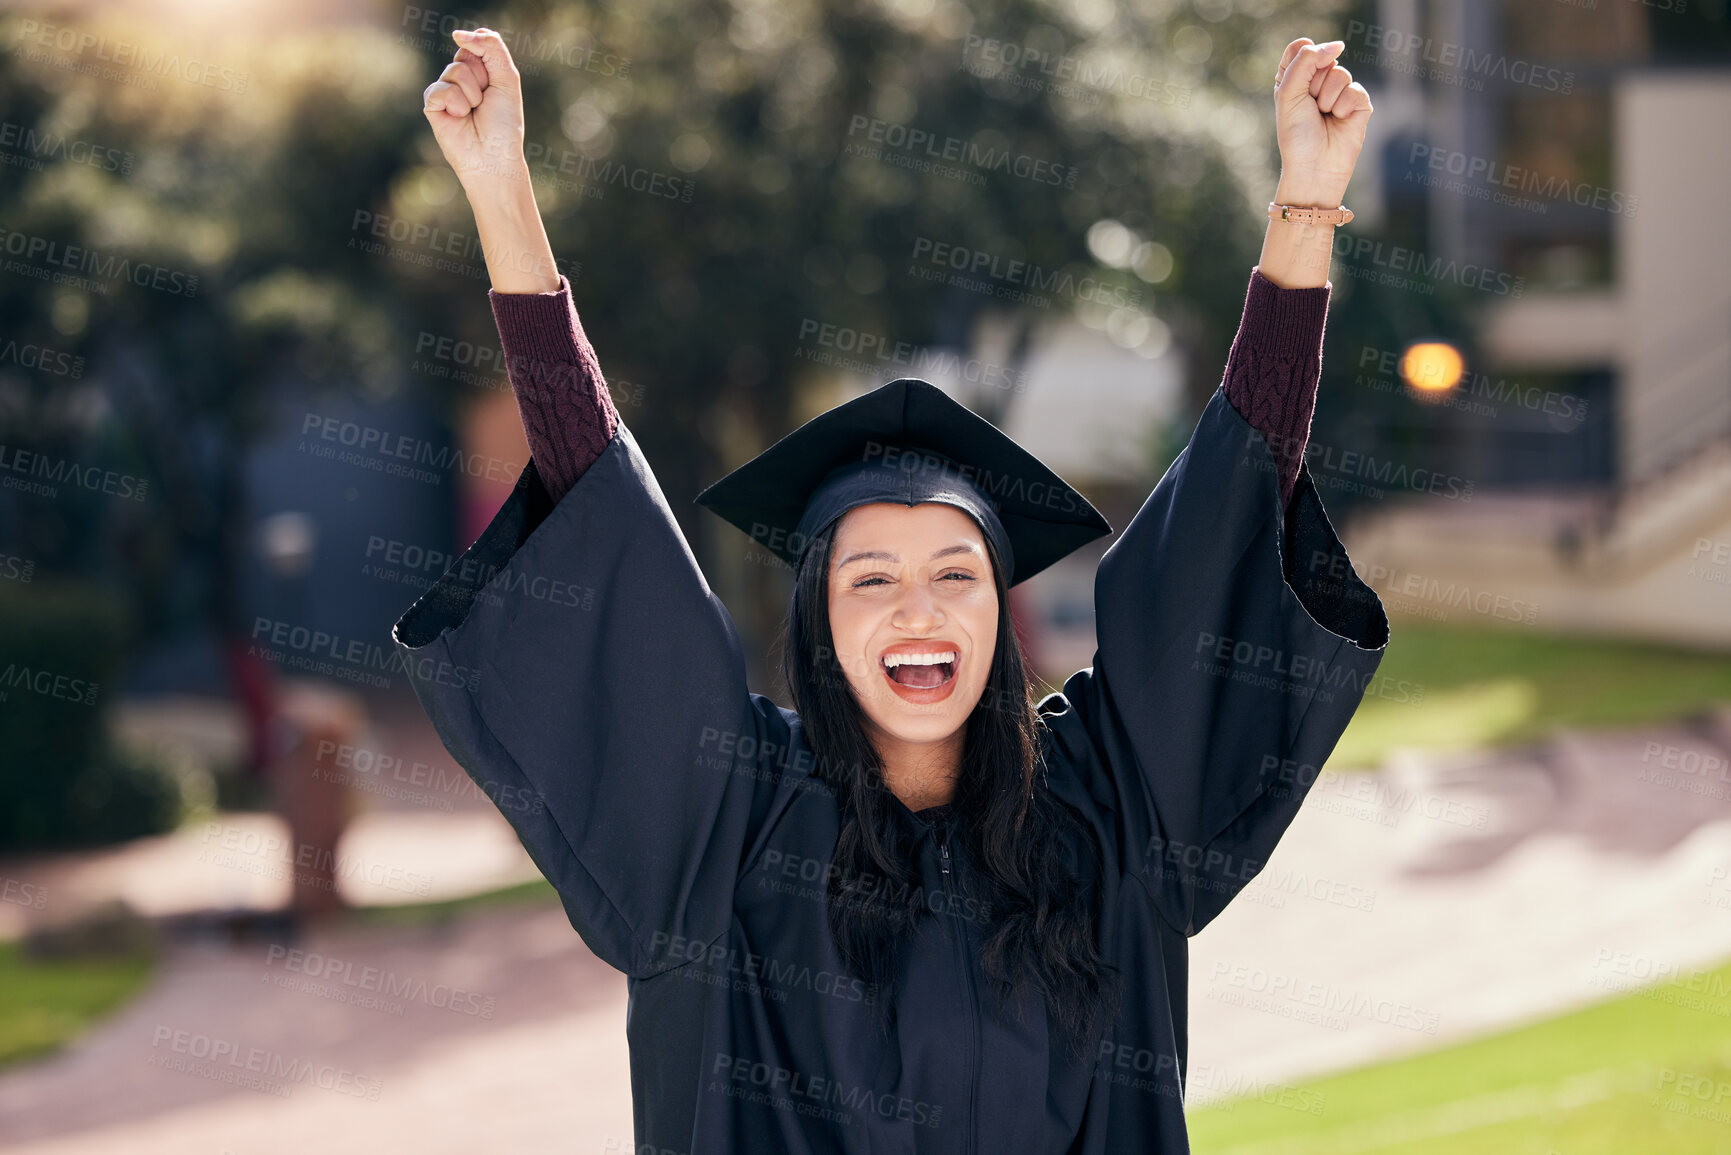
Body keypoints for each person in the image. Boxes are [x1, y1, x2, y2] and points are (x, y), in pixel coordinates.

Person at [400, 26, 1386, 1154]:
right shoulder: (728, 823)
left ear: (1000, 614)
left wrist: (1305, 204)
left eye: (955, 573)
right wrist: (501, 194)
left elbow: (1232, 506)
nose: (919, 608)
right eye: (870, 577)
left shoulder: (1111, 813)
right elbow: (607, 528)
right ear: (819, 622)